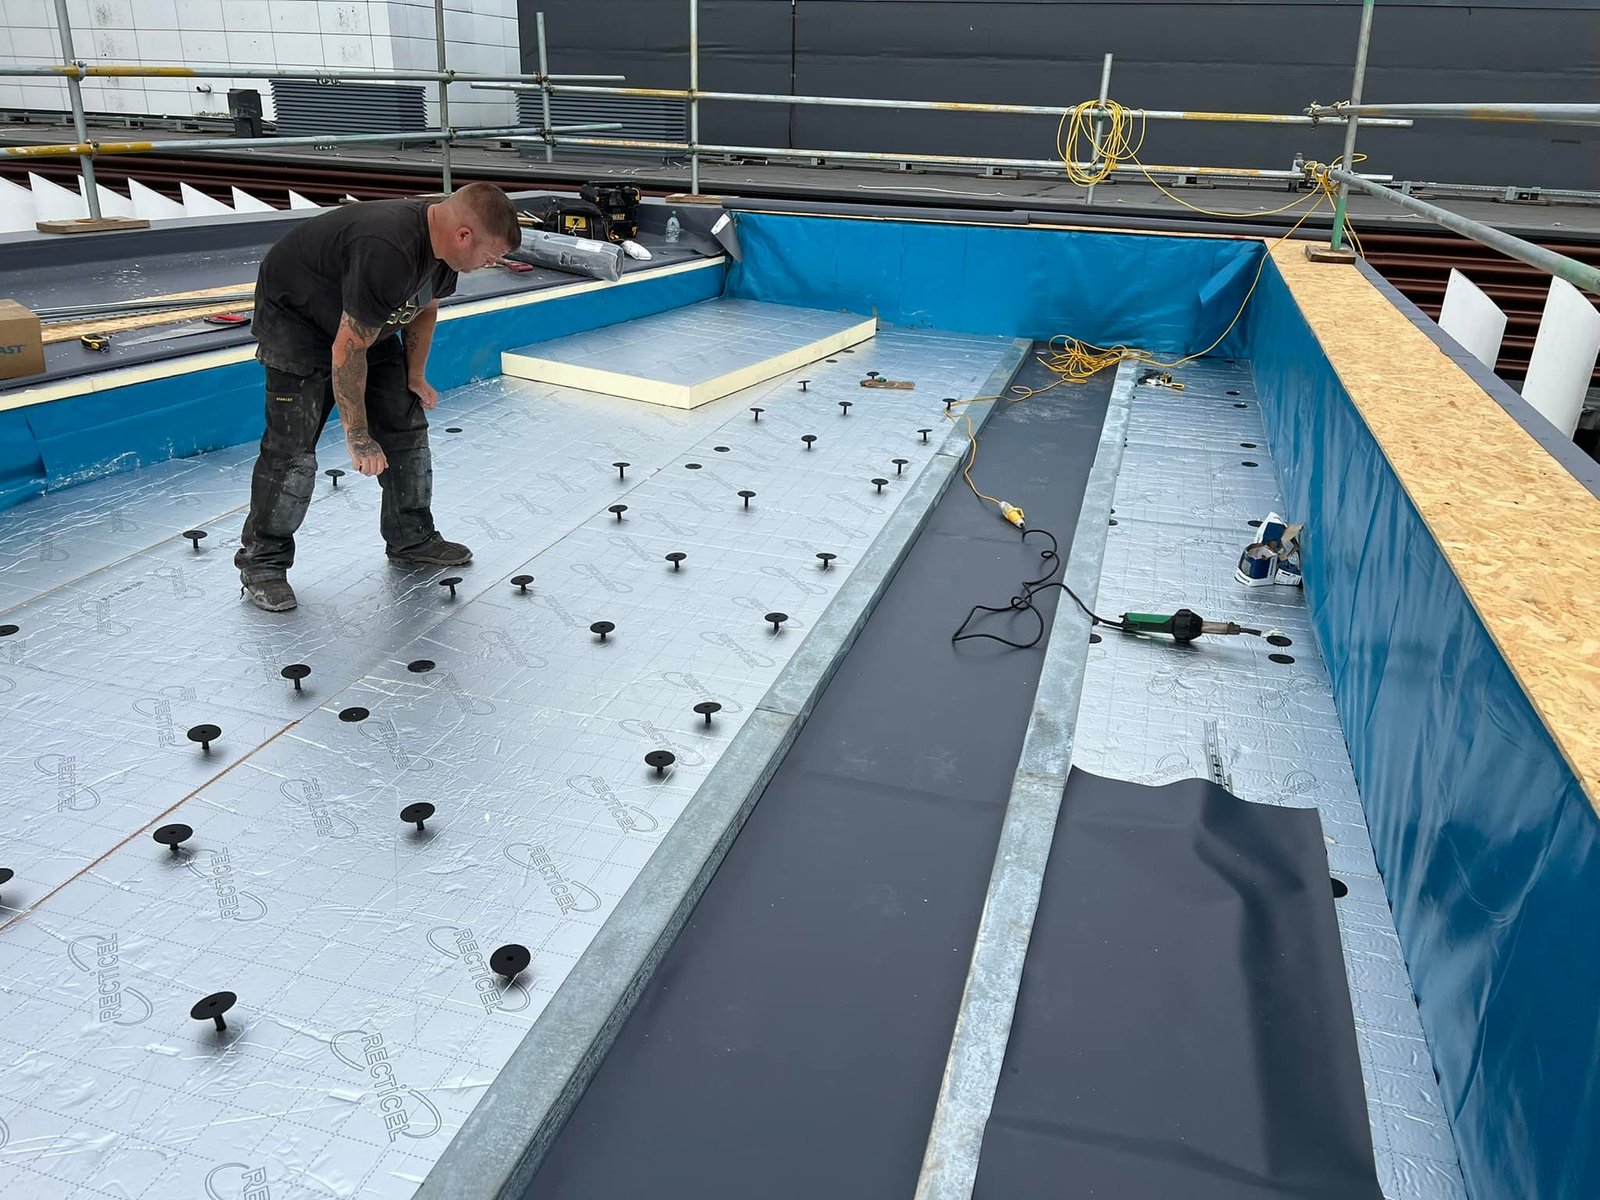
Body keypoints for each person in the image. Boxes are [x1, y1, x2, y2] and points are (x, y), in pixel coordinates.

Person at [235, 182, 521, 612]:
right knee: (292, 453)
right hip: (297, 323)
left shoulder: (444, 251)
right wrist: (358, 436)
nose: (491, 264)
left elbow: (424, 307)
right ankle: (262, 564)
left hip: (362, 323)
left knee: (405, 422)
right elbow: (346, 350)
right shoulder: (388, 247)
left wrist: (415, 375)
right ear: (463, 235)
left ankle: (411, 538)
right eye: (490, 255)